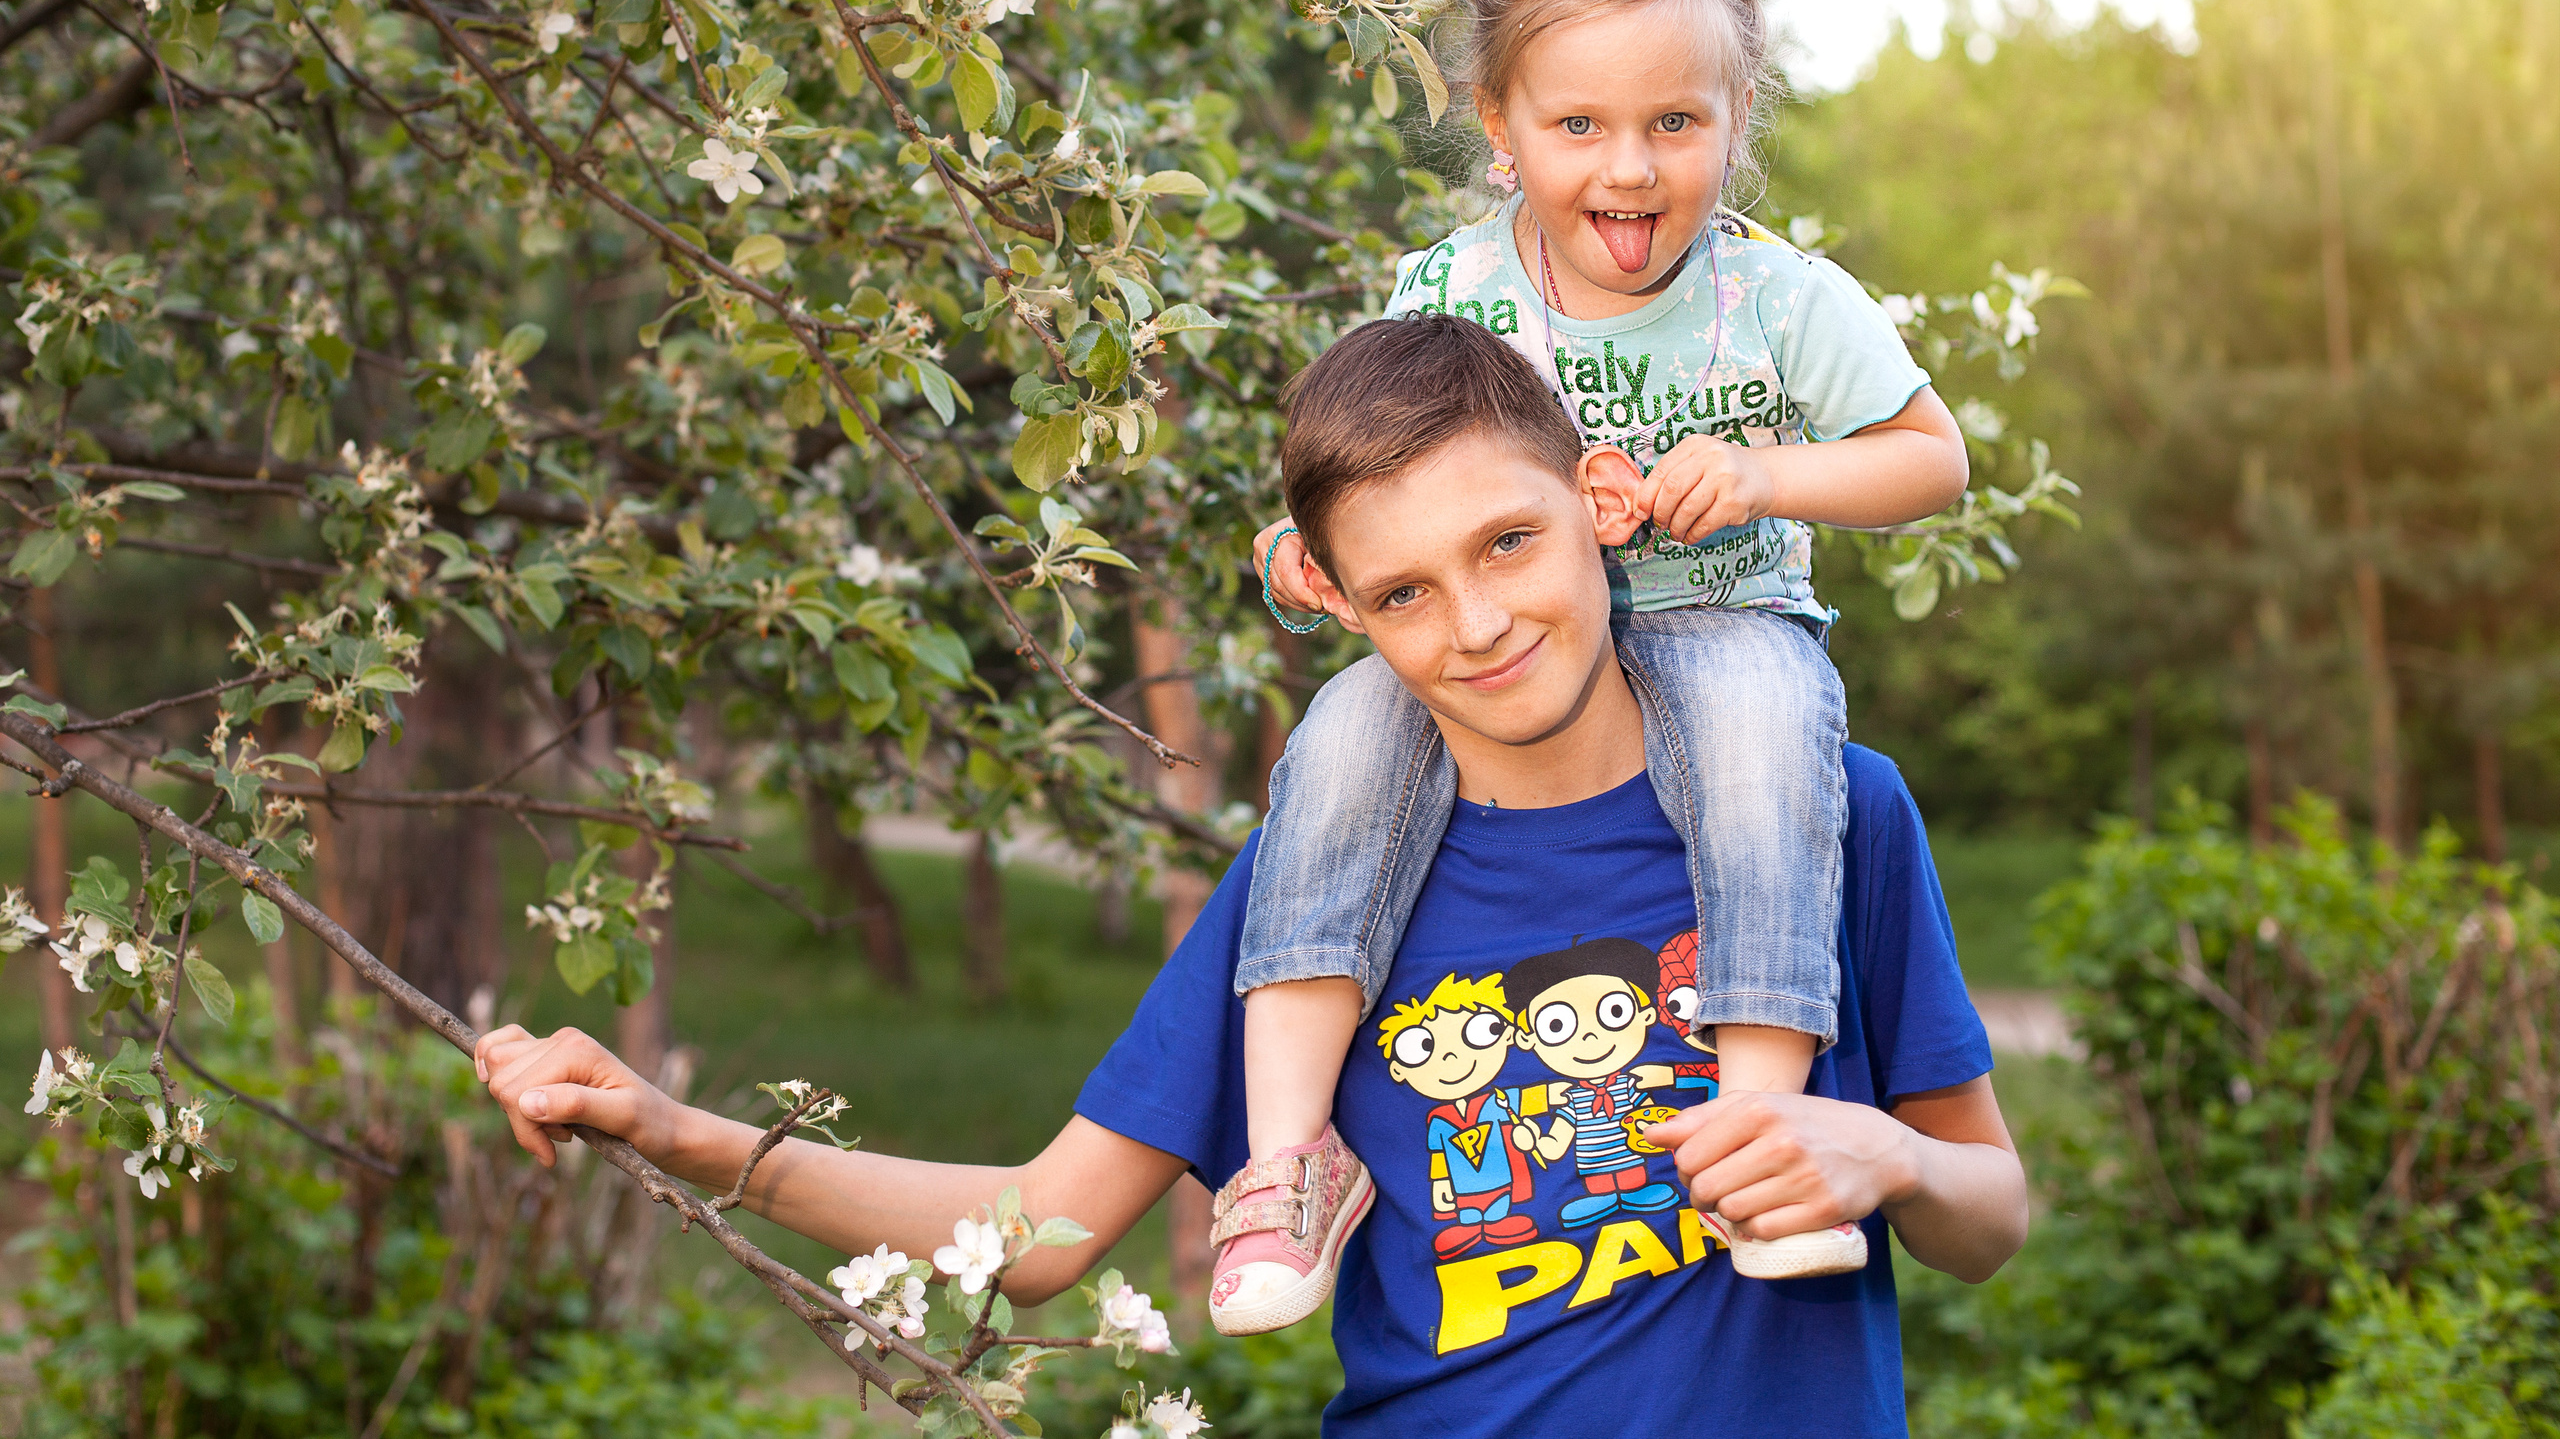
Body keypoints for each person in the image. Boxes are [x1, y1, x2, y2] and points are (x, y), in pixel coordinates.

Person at [473, 314, 2028, 1438]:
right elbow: (1046, 1233)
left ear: (1596, 509)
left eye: (1507, 545)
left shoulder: (1829, 812)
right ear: (1344, 610)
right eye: (1406, 591)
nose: (1475, 626)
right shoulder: (1318, 899)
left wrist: (1885, 1161)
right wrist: (678, 1133)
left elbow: (1990, 1215)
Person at [1226, 0, 1971, 1330]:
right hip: (1501, 639)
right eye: (1578, 127)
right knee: (1337, 740)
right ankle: (1286, 1158)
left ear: (1733, 117)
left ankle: (1759, 1146)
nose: (1628, 172)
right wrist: (1302, 556)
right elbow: (1381, 484)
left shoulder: (1778, 298)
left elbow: (1930, 459)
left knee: (1767, 748)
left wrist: (1761, 476)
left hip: (1718, 622)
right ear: (1499, 126)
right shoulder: (1450, 288)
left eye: (1673, 127)